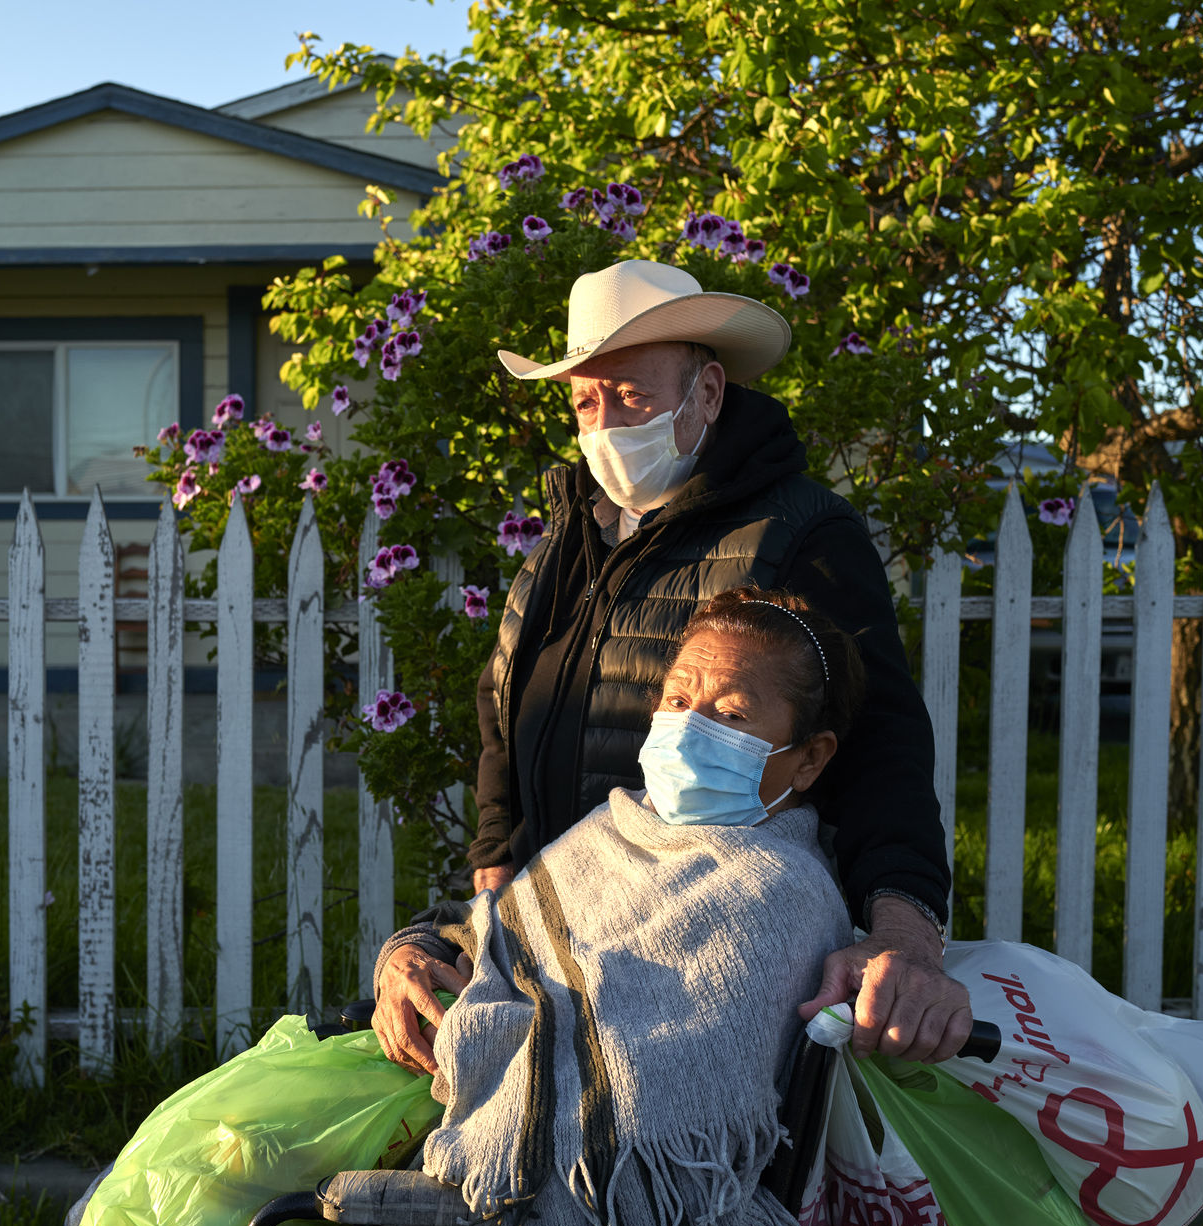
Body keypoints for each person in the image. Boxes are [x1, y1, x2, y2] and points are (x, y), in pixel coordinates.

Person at [378, 259, 970, 1075]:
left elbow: (882, 747)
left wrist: (905, 936)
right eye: (586, 403)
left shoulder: (798, 534)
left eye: (632, 395)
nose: (607, 427)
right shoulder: (566, 544)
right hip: (565, 941)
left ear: (710, 393)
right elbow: (502, 716)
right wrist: (491, 890)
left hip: (716, 966)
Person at [376, 589, 862, 1226]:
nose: (688, 728)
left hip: (528, 1211)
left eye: (731, 715)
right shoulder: (615, 826)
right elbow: (493, 928)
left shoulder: (782, 895)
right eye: (677, 699)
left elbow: (639, 1108)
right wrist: (408, 955)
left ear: (808, 759)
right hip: (435, 1124)